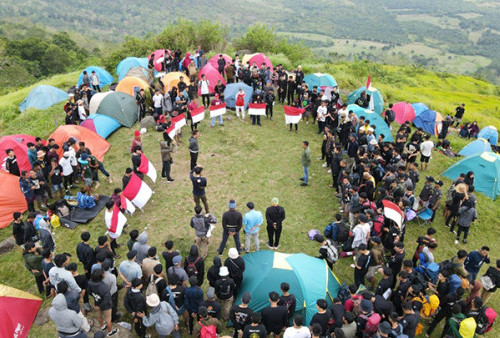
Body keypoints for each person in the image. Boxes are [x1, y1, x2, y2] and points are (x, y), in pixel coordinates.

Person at [88, 269, 118, 336]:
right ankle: (110, 332)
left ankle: (102, 326)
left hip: (97, 302)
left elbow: (89, 292)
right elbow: (107, 299)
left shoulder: (89, 282)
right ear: (100, 277)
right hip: (105, 306)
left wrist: (96, 299)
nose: (104, 274)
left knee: (99, 316)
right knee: (108, 319)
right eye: (103, 273)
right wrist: (100, 307)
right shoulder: (104, 287)